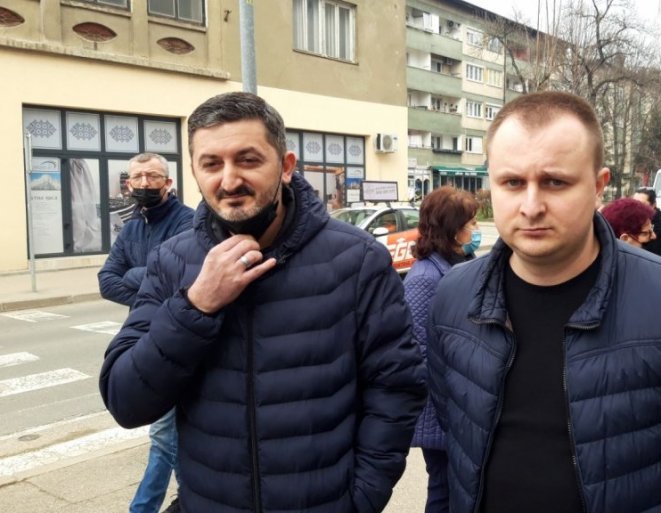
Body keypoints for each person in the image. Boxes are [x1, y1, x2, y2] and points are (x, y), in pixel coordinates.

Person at [426, 91, 661, 513]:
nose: (531, 206)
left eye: (555, 182)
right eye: (512, 182)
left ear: (598, 186)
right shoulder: (454, 298)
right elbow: (456, 431)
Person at [99, 92, 426, 513]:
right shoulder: (172, 262)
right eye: (211, 164)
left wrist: (361, 498)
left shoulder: (358, 259)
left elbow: (396, 388)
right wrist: (195, 306)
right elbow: (126, 402)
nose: (229, 180)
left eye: (248, 160)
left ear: (286, 166)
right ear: (194, 172)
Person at [97, 153, 194, 513]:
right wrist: (153, 284)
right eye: (137, 177)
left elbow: (181, 278)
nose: (143, 183)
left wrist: (136, 275)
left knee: (164, 434)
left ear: (168, 183)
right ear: (127, 183)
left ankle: (145, 507)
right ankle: (189, 499)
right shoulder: (132, 228)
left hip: (180, 336)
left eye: (152, 176)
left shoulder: (188, 222)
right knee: (170, 433)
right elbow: (107, 281)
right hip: (144, 338)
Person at [403, 186, 480, 513]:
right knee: (443, 490)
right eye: (470, 223)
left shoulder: (460, 263)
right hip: (440, 411)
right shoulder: (425, 278)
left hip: (461, 404)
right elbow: (418, 354)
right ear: (451, 228)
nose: (475, 229)